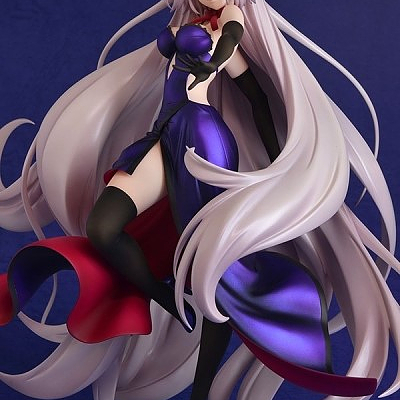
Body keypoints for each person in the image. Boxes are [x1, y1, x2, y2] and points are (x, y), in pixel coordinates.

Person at [0, 1, 399, 400]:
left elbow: (248, 76)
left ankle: (204, 390)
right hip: (163, 135)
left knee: (212, 269)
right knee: (103, 227)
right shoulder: (193, 20)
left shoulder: (231, 20)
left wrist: (280, 160)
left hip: (203, 142)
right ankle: (167, 300)